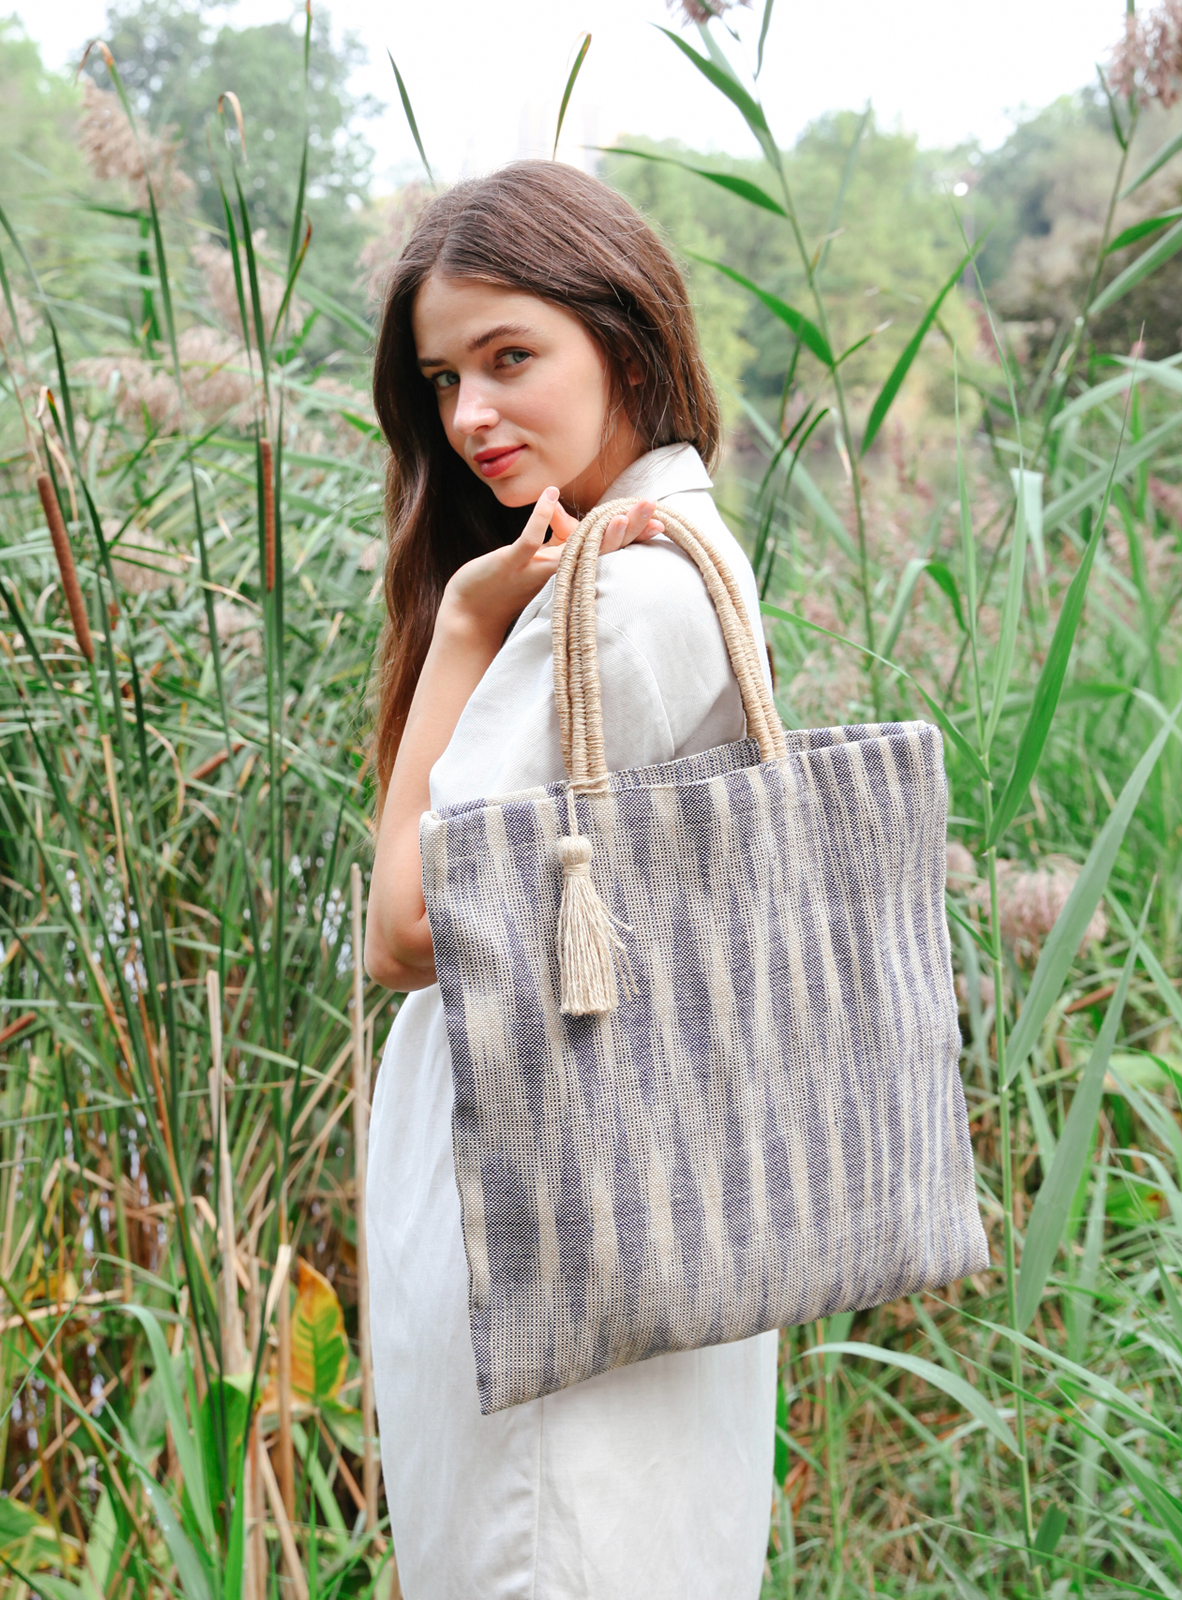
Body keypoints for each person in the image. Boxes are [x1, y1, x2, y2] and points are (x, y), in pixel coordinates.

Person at [364, 159, 777, 1600]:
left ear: (630, 343)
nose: (469, 416)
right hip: (624, 1224)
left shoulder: (617, 594)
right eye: (441, 379)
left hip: (547, 1242)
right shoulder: (680, 556)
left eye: (511, 357)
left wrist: (468, 632)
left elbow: (407, 929)